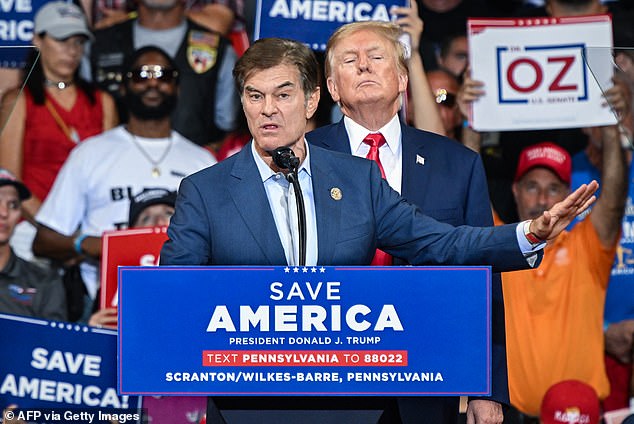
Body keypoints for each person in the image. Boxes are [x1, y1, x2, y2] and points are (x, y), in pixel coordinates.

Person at [160, 36, 597, 423]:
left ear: (312, 102)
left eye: (283, 94)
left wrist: (530, 233)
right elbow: (172, 300)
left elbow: (441, 242)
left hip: (353, 407)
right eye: (255, 96)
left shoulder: (357, 180)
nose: (268, 109)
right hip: (250, 407)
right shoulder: (204, 191)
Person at [305, 19, 506, 423]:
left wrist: (487, 388)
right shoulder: (301, 157)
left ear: (401, 79)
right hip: (326, 378)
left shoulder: (458, 164)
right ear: (331, 88)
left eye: (376, 57)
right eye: (349, 59)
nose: (363, 66)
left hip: (427, 377)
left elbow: (483, 281)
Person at [33, 46, 217, 323]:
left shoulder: (202, 161)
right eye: (141, 75)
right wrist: (88, 244)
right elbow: (44, 241)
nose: (153, 82)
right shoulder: (90, 153)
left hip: (182, 303)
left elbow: (219, 243)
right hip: (101, 306)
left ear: (177, 88)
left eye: (163, 75)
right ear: (124, 87)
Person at [502, 137, 627, 421]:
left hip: (581, 416)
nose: (543, 201)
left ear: (569, 195)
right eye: (532, 187)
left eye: (553, 188)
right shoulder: (496, 246)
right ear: (515, 191)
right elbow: (464, 187)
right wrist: (471, 125)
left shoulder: (587, 247)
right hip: (511, 416)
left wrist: (610, 128)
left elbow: (614, 202)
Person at [0, 1, 117, 261]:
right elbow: (10, 178)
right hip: (31, 227)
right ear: (38, 40)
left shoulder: (102, 102)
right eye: (62, 40)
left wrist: (78, 238)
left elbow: (110, 172)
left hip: (89, 230)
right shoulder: (18, 100)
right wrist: (55, 234)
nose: (71, 50)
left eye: (78, 42)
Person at [90, 0, 239, 147]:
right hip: (112, 165)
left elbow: (228, 129)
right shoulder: (96, 44)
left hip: (193, 167)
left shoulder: (221, 50)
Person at [0, 169, 66, 321]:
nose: (4, 213)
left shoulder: (44, 281)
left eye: (13, 205)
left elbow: (56, 342)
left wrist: (91, 333)